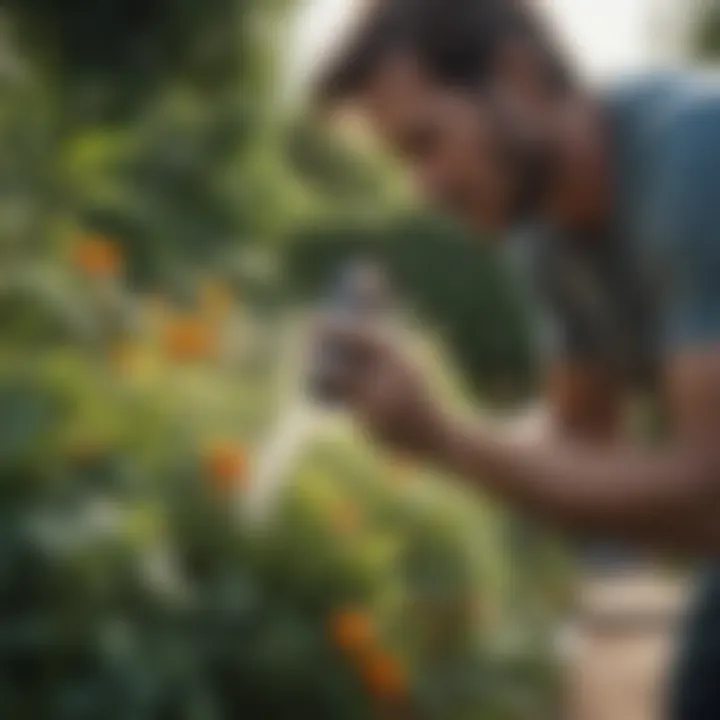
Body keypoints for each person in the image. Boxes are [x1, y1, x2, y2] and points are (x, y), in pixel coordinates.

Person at [312, 0, 720, 716]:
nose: (423, 188)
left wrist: (446, 438)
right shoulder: (544, 237)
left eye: (426, 142)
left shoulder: (694, 162)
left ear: (519, 74)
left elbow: (710, 496)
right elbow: (579, 449)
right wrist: (428, 417)